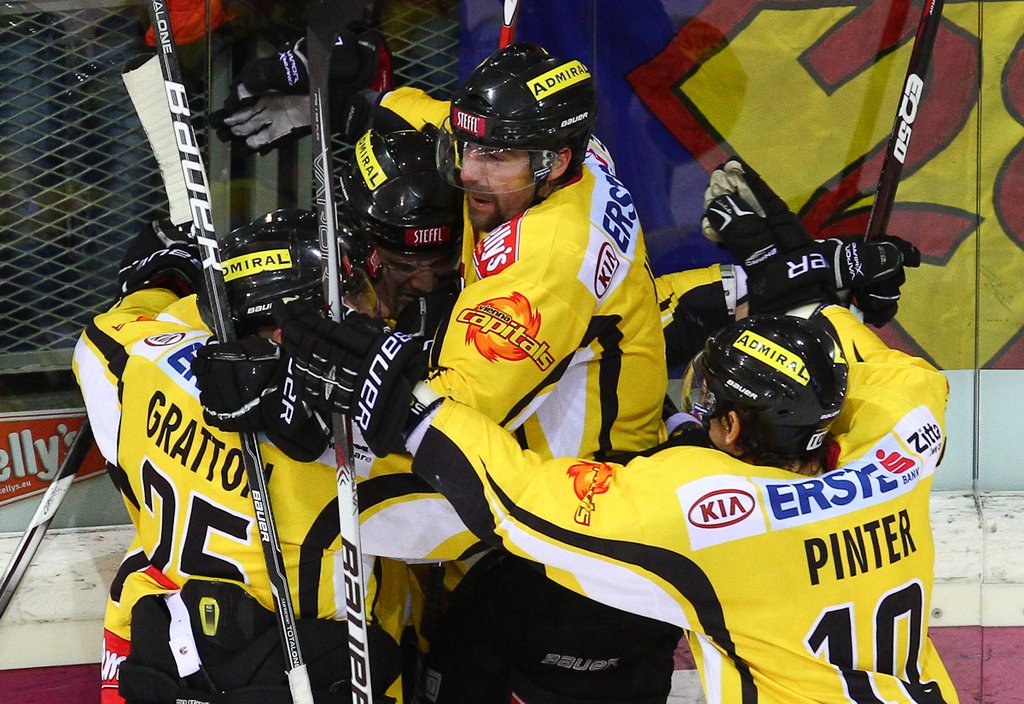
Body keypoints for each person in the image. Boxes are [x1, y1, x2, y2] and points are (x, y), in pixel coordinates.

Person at [73, 209, 419, 704]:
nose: (377, 311)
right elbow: (483, 512)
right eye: (355, 297)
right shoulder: (347, 454)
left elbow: (100, 341)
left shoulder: (143, 364)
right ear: (284, 330)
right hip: (309, 677)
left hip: (164, 655)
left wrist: (162, 287)